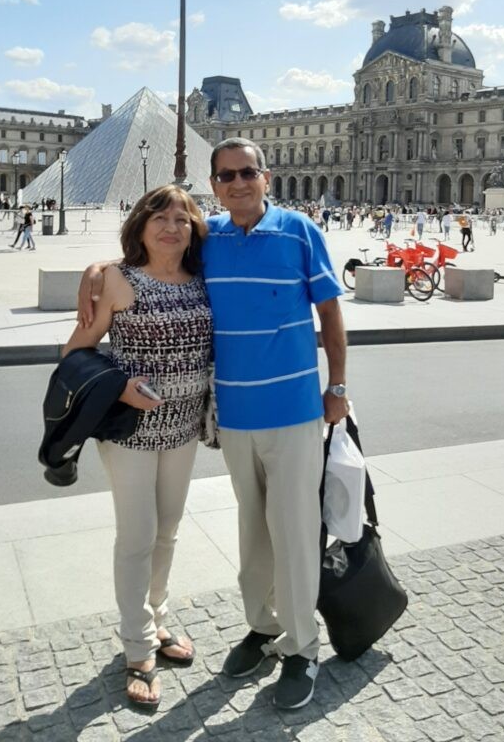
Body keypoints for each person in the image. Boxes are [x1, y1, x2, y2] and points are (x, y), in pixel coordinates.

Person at [79, 140, 349, 711]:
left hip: (296, 410)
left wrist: (339, 387)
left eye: (247, 172)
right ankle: (262, 627)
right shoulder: (213, 240)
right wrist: (97, 270)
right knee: (252, 530)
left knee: (296, 531)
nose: (237, 182)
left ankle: (302, 647)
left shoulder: (300, 232)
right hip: (233, 416)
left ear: (266, 177)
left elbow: (329, 313)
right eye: (225, 175)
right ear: (216, 184)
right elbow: (155, 256)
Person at [68, 185, 212, 710]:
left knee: (168, 530)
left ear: (195, 227)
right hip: (129, 427)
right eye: (159, 217)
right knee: (138, 535)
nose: (171, 226)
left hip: (183, 425)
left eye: (182, 218)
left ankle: (157, 620)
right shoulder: (117, 279)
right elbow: (74, 352)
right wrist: (121, 384)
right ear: (140, 224)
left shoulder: (203, 278)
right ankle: (137, 647)